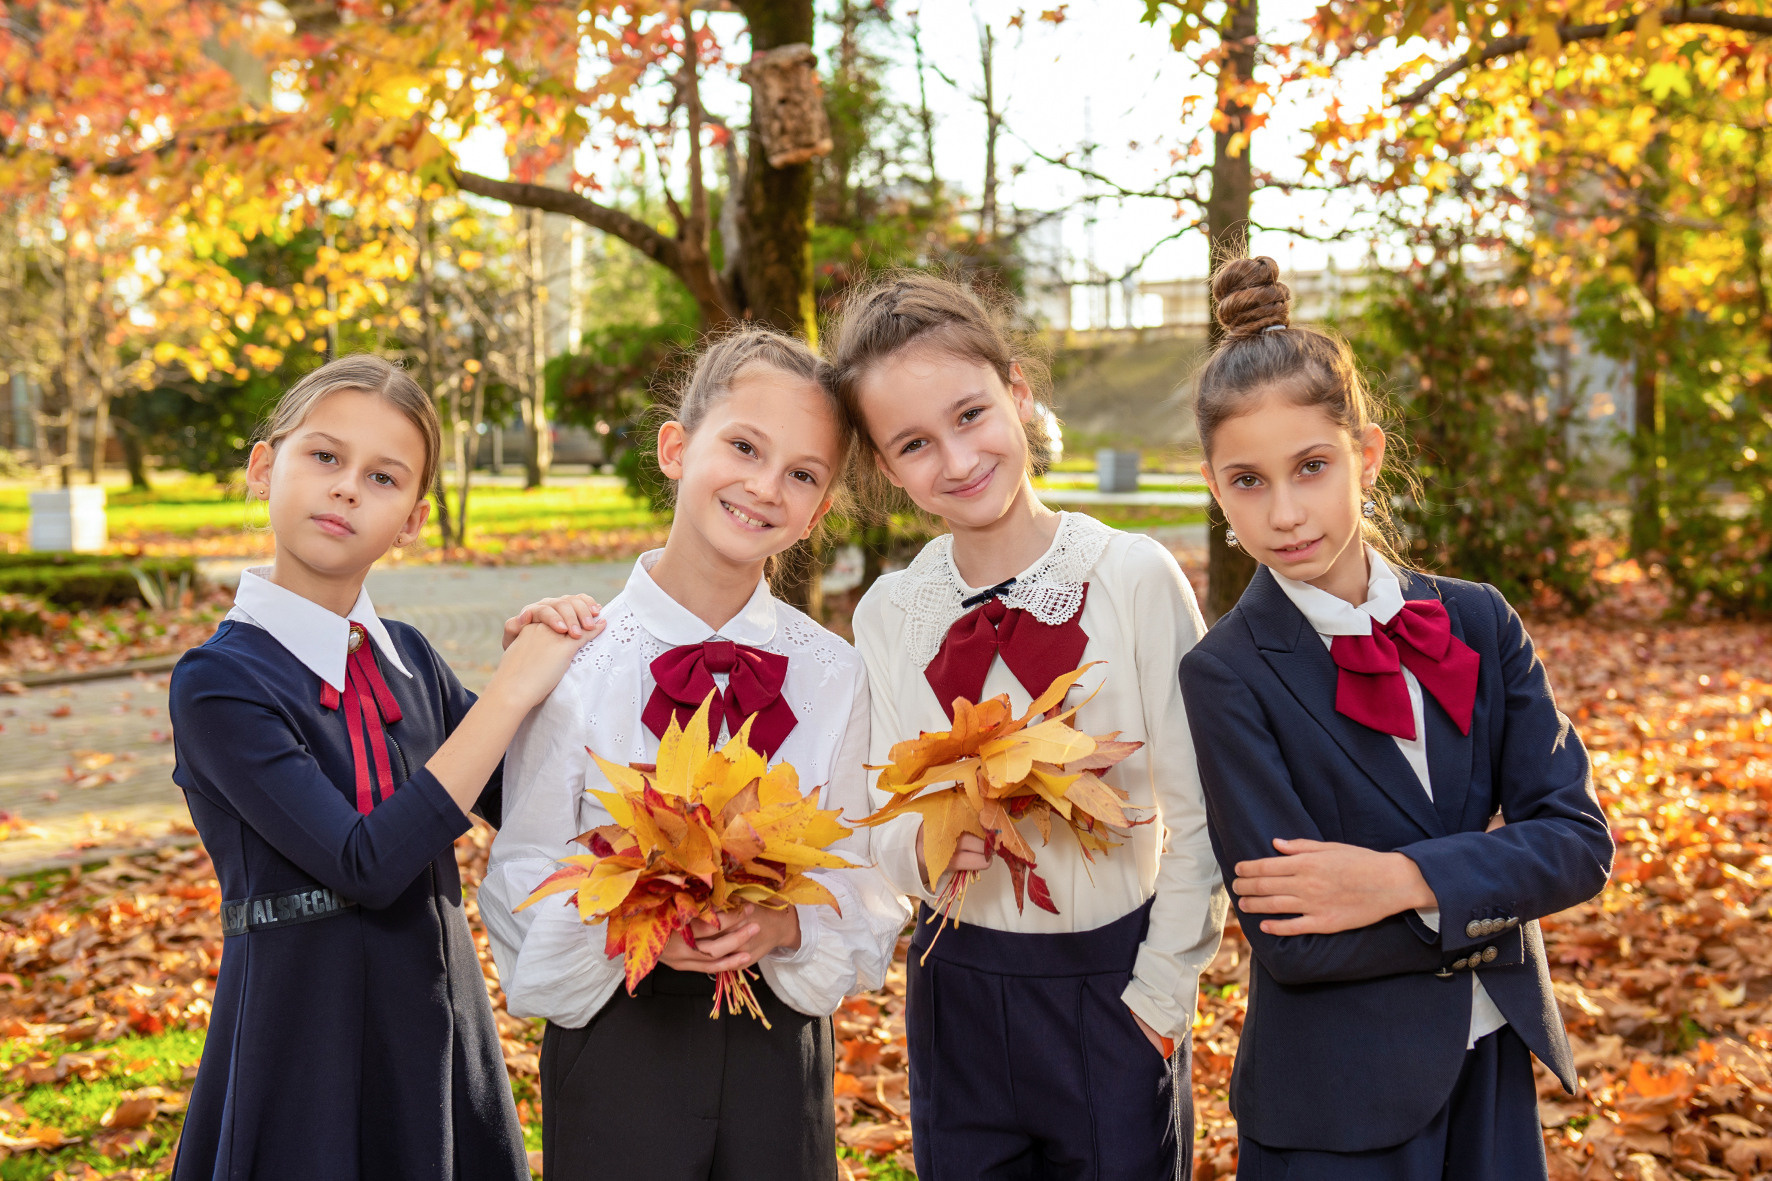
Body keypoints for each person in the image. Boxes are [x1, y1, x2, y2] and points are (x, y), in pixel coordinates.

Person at [1177, 256, 1614, 1179]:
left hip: (1493, 1062)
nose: (1286, 512)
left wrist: (1399, 879)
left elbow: (1576, 841)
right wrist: (1487, 889)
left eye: (1312, 466)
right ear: (1215, 487)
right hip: (1334, 1105)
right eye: (1248, 481)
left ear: (1365, 456)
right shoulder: (1224, 673)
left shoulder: (1478, 619)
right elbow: (1293, 940)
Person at [480, 325, 909, 1181]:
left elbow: (871, 872)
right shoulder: (572, 657)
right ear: (677, 447)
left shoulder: (835, 673)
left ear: (820, 510)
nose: (763, 485)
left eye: (801, 474)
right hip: (617, 1039)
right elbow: (520, 874)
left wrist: (787, 920)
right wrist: (627, 922)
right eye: (744, 446)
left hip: (777, 1048)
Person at [829, 272, 1227, 1180]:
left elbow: (1202, 805)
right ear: (888, 468)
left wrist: (1160, 995)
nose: (957, 459)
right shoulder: (892, 611)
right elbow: (877, 818)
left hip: (1113, 987)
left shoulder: (1130, 576)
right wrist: (926, 851)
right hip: (955, 992)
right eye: (915, 444)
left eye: (971, 415)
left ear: (1017, 392)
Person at [169, 354, 598, 1181]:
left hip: (434, 1020)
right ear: (266, 467)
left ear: (411, 518)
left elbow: (542, 793)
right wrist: (509, 694)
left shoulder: (410, 656)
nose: (346, 488)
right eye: (324, 457)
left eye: (383, 476)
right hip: (301, 1040)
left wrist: (566, 671)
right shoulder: (219, 681)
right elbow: (364, 861)